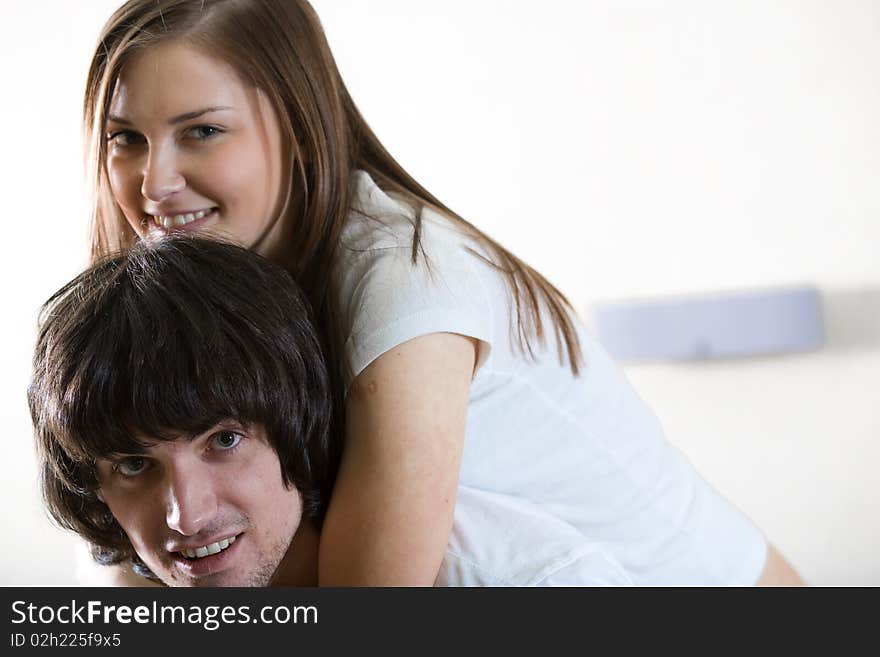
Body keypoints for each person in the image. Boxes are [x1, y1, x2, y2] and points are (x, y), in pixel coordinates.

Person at [80, 0, 802, 585]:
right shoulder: (211, 283)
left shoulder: (406, 285)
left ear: (300, 127)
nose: (153, 183)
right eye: (125, 139)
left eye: (201, 132)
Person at [31, 235, 635, 587]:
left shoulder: (528, 582)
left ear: (300, 422)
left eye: (223, 441)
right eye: (135, 465)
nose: (187, 516)